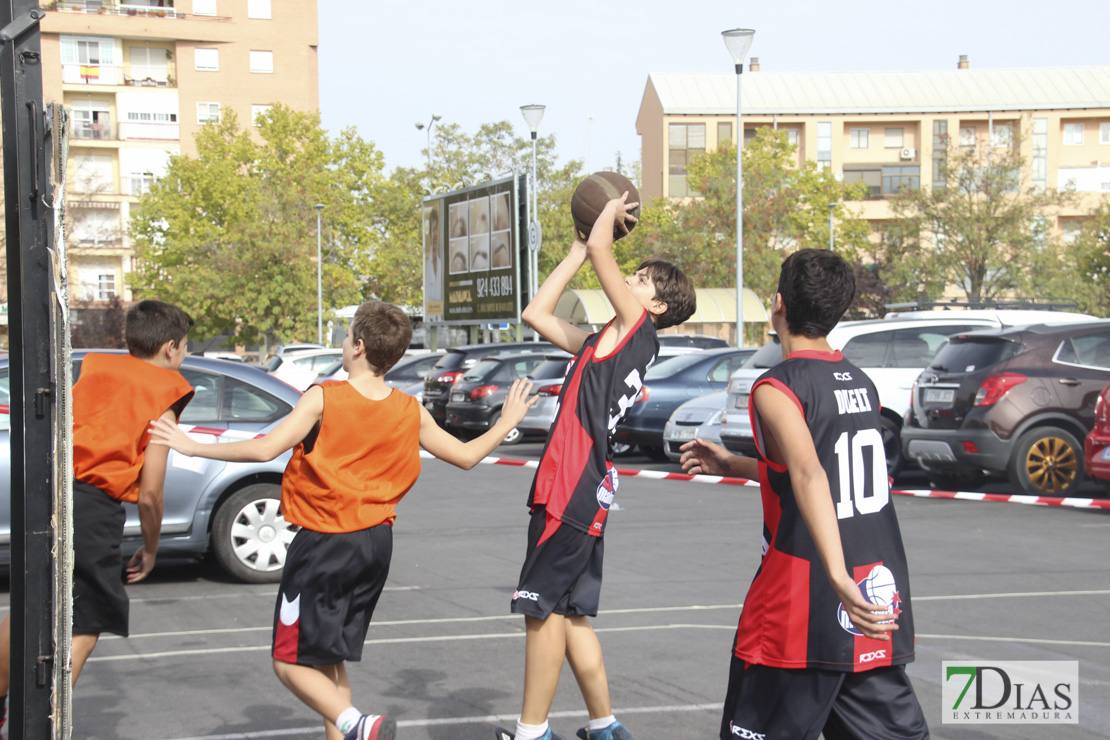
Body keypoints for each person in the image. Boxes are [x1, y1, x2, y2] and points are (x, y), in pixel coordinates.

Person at [150, 301, 537, 740]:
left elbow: (264, 448)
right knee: (327, 658)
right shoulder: (408, 410)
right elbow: (466, 456)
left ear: (357, 345)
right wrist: (507, 421)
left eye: (346, 334)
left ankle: (358, 724)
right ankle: (353, 728)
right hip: (375, 544)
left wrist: (191, 445)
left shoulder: (324, 397)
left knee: (289, 662)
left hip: (325, 543)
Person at [680, 249, 928, 740]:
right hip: (874, 593)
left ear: (778, 305)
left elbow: (812, 476)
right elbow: (818, 474)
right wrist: (736, 465)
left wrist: (835, 576)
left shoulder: (778, 387)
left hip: (805, 598)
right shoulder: (860, 383)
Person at [500, 195, 696, 740]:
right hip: (584, 484)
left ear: (654, 306)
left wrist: (606, 210)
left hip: (571, 484)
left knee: (541, 613)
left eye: (639, 280)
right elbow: (535, 314)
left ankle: (532, 732)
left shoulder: (636, 329)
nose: (627, 281)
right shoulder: (597, 342)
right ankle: (606, 727)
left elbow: (605, 245)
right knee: (570, 613)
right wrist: (574, 251)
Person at [0, 299, 195, 727]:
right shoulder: (165, 389)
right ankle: (46, 724)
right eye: (185, 347)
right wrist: (151, 547)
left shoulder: (95, 369)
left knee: (29, 601)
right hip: (92, 506)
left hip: (46, 491)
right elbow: (151, 493)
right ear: (170, 347)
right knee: (86, 616)